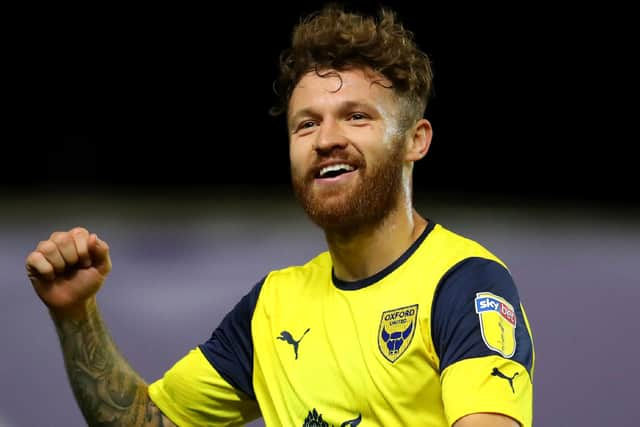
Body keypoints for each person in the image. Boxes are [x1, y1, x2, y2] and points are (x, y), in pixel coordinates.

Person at [25, 5, 534, 427]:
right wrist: (76, 315)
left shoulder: (465, 284)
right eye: (306, 124)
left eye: (356, 116)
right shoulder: (273, 307)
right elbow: (143, 421)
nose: (327, 139)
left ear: (414, 141)